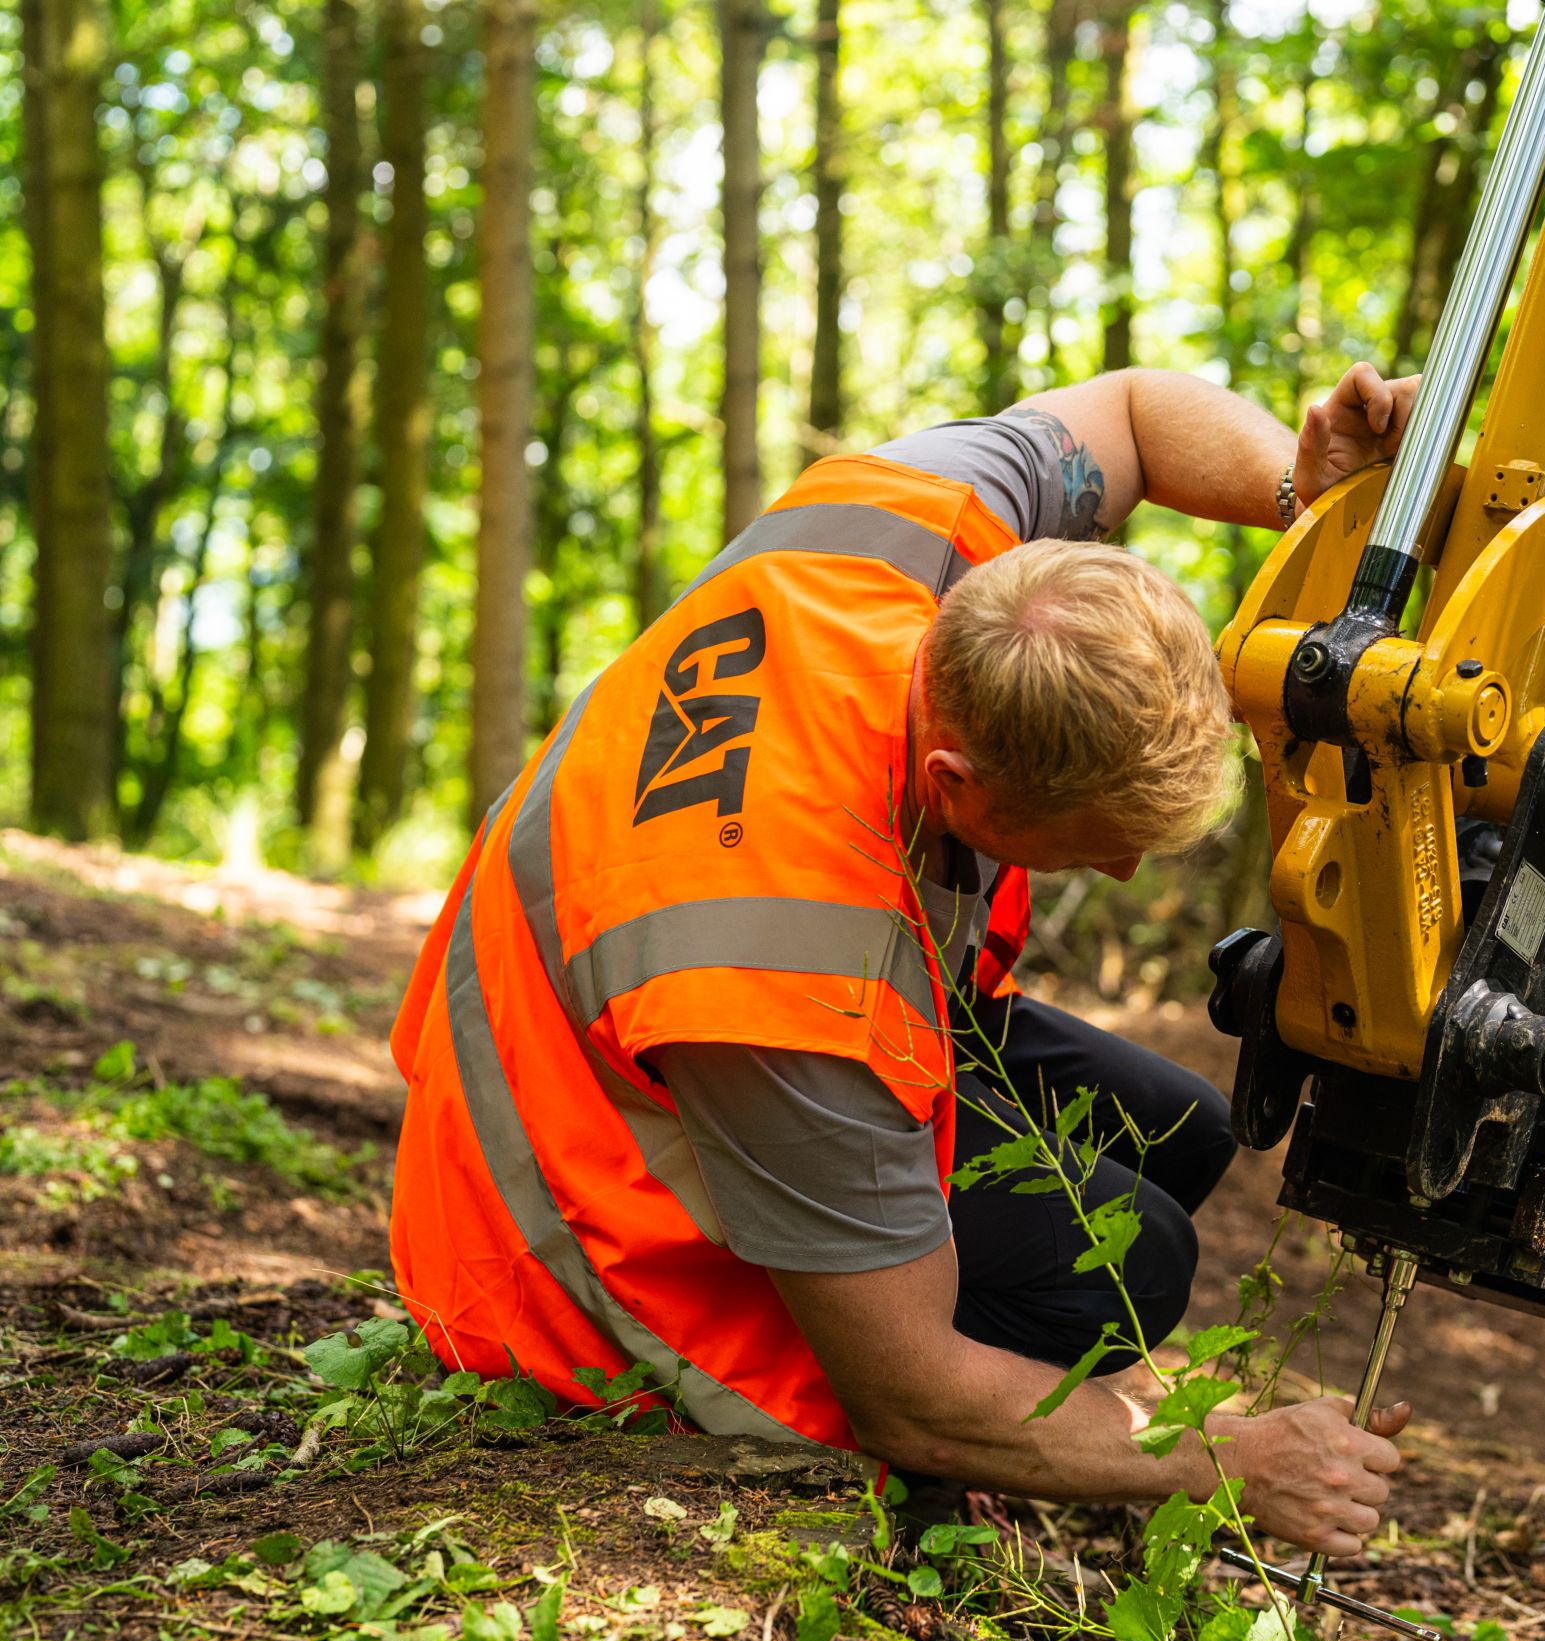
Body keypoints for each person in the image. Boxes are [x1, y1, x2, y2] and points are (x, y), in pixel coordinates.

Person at [389, 362, 1421, 1556]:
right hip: (554, 1215)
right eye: (1103, 850)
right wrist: (1220, 1459)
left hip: (637, 983)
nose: (1130, 877)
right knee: (1127, 1262)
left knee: (1181, 1129)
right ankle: (938, 1487)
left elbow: (1136, 410)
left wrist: (1305, 494)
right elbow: (912, 1387)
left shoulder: (923, 532)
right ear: (955, 786)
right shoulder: (779, 972)